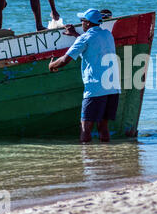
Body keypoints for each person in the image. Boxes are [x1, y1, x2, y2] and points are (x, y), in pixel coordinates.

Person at [49, 9, 121, 143]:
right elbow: (91, 43)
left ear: (87, 24)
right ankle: (107, 158)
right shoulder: (107, 35)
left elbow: (65, 60)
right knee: (103, 126)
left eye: (82, 21)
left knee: (85, 128)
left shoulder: (85, 38)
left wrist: (52, 66)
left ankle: (87, 160)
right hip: (112, 89)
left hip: (95, 89)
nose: (81, 23)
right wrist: (76, 34)